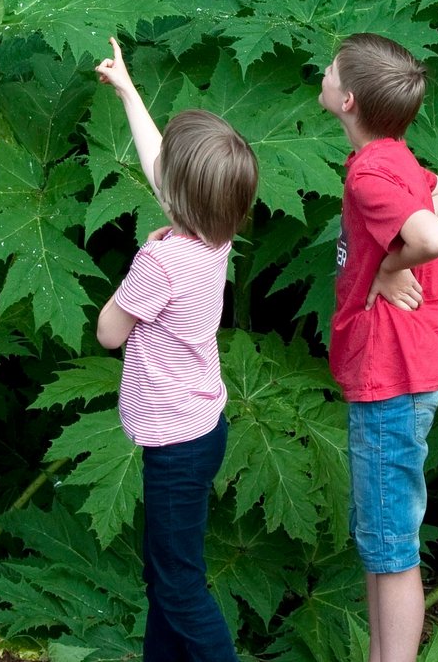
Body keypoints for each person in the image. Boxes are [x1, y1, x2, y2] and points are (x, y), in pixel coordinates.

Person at [94, 37, 257, 662]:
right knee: (165, 578)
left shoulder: (161, 258)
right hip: (201, 428)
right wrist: (129, 90)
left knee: (180, 584)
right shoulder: (213, 241)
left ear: (177, 201)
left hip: (174, 447)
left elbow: (111, 332)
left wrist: (133, 275)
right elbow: (162, 161)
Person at [317, 33, 438, 662]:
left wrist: (389, 262)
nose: (321, 73)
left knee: (391, 544)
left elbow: (435, 232)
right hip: (406, 371)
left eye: (330, 69)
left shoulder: (372, 171)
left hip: (390, 376)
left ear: (347, 99)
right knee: (381, 537)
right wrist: (384, 260)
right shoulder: (393, 155)